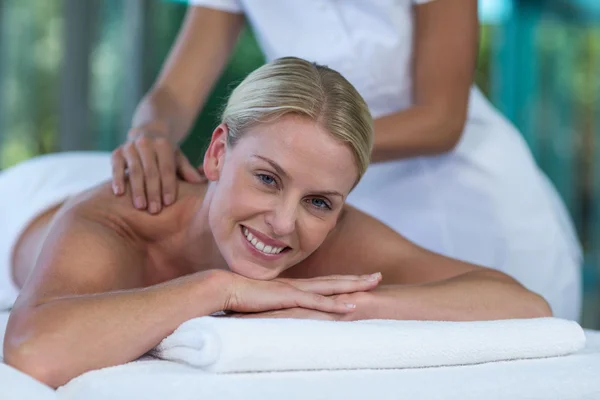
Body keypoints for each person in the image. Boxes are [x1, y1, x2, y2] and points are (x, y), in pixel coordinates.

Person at [2, 58, 549, 389]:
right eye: (266, 179)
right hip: (30, 200)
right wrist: (221, 290)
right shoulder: (120, 223)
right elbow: (33, 351)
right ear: (217, 152)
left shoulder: (328, 229)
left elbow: (521, 303)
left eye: (319, 202)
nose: (284, 223)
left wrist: (337, 304)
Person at [109, 1, 582, 321]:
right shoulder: (298, 207)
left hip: (468, 188)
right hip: (329, 190)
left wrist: (300, 156)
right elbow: (173, 91)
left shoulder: (312, 172)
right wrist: (148, 133)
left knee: (508, 334)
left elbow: (441, 119)